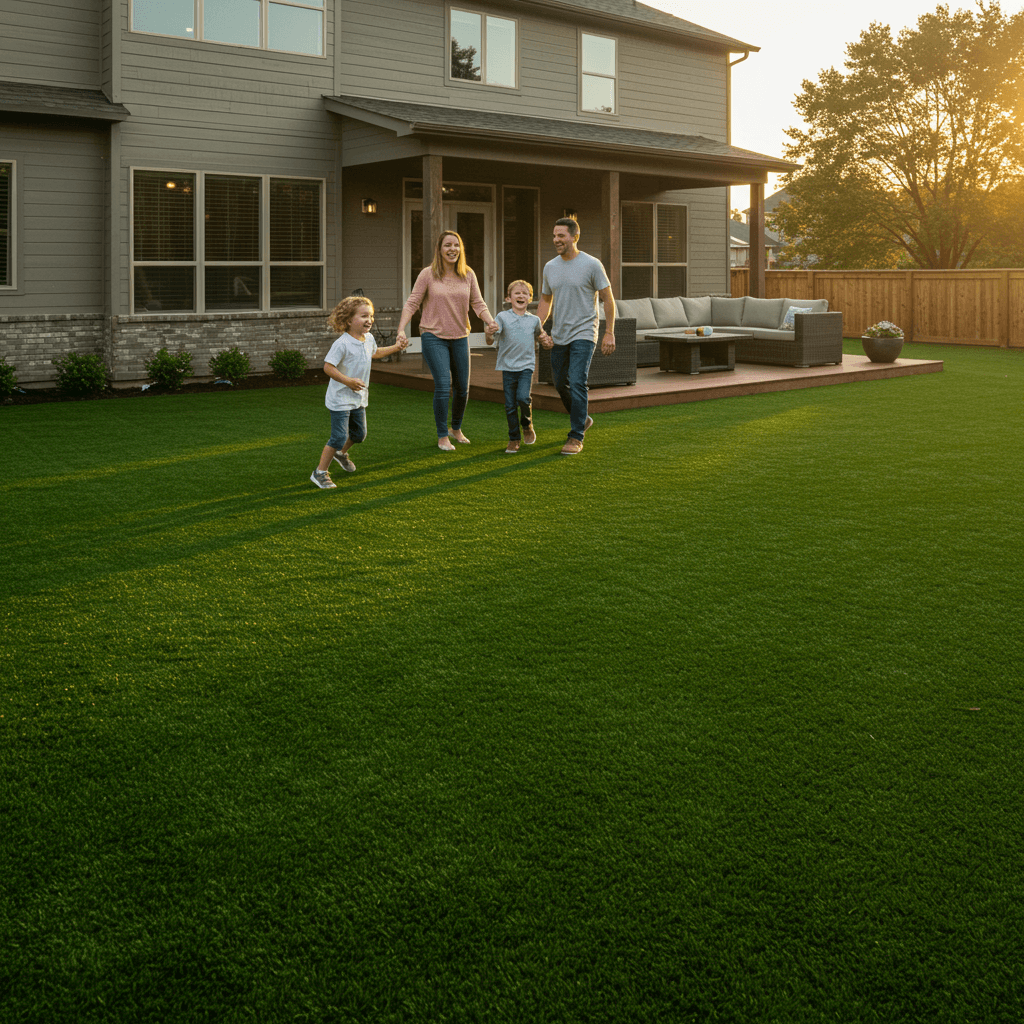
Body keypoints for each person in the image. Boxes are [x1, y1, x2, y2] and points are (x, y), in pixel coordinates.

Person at [397, 230, 497, 451]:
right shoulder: (428, 274)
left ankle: (456, 428)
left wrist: (490, 321)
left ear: (460, 249)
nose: (452, 249)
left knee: (462, 387)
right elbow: (413, 303)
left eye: (456, 245)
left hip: (460, 336)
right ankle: (442, 434)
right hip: (433, 335)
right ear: (440, 250)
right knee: (443, 384)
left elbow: (478, 303)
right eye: (447, 245)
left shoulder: (467, 274)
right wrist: (401, 330)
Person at [310, 295, 407, 490]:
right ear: (348, 320)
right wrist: (348, 381)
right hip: (340, 399)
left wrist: (396, 347)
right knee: (338, 437)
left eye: (371, 316)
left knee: (359, 434)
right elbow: (328, 367)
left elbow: (375, 353)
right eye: (364, 316)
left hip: (358, 397)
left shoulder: (368, 338)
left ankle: (340, 454)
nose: (369, 320)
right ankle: (319, 473)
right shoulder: (342, 344)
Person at [537, 218, 616, 455]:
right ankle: (583, 418)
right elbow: (545, 301)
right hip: (560, 333)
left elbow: (608, 299)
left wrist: (609, 332)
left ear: (574, 236)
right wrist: (537, 329)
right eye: (554, 236)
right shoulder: (550, 267)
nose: (556, 240)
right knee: (560, 382)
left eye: (561, 235)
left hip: (584, 332)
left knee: (578, 380)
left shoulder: (592, 264)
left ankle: (576, 435)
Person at [485, 280, 545, 453]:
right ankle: (514, 438)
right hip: (508, 367)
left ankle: (527, 425)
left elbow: (541, 338)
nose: (520, 296)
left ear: (530, 298)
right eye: (517, 293)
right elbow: (490, 340)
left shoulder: (535, 321)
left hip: (526, 366)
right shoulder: (502, 317)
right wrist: (488, 333)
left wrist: (547, 341)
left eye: (524, 293)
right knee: (510, 405)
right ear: (508, 298)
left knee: (523, 398)